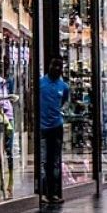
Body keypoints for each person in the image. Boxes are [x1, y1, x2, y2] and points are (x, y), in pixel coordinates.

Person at [39, 57, 69, 204]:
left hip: (57, 127)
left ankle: (54, 193)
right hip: (43, 127)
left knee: (55, 160)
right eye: (54, 65)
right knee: (45, 161)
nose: (57, 68)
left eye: (59, 66)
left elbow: (63, 101)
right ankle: (44, 192)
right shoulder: (40, 84)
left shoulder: (64, 86)